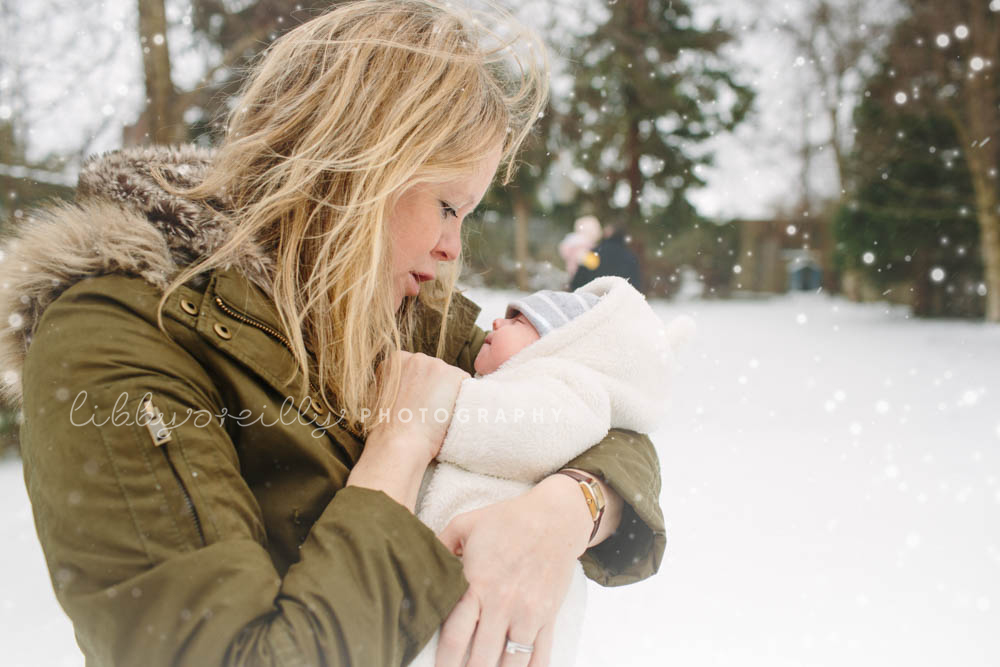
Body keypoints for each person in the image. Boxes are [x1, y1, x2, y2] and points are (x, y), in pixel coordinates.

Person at [0, 2, 665, 666]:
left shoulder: (404, 315)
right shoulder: (116, 334)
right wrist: (398, 449)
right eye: (446, 205)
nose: (451, 246)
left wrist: (566, 508)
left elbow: (596, 399)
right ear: (355, 162)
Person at [411, 276, 691, 667]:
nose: (496, 323)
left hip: (500, 600)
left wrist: (427, 410)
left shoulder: (568, 390)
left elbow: (519, 435)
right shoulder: (519, 382)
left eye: (519, 321)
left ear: (557, 346)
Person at [569, 223, 644, 293]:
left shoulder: (594, 253)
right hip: (622, 300)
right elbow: (636, 285)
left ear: (609, 233)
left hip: (595, 300)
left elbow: (577, 282)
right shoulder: (631, 257)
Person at [556, 215, 602, 281]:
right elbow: (591, 263)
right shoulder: (582, 245)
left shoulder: (575, 243)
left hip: (575, 275)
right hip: (580, 277)